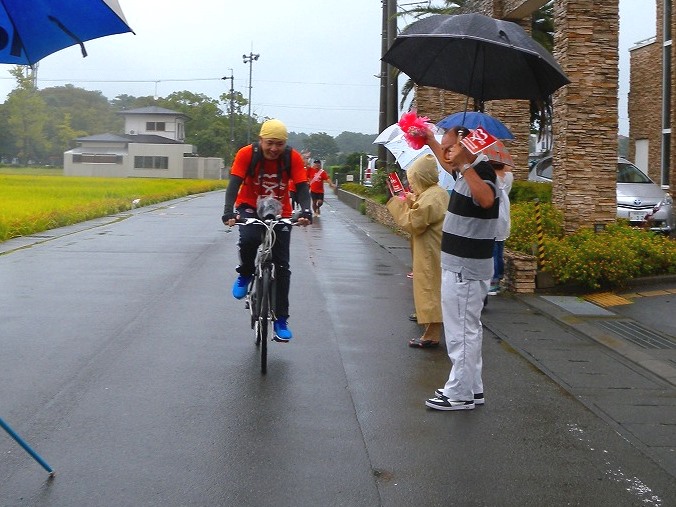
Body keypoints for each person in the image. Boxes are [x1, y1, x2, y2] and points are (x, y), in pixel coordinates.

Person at [423, 126, 499, 411]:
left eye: (450, 147)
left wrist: (465, 163)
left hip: (465, 268)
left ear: (466, 146)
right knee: (468, 330)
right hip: (460, 266)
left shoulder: (481, 172)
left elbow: (487, 199)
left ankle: (459, 394)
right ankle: (472, 388)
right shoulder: (466, 171)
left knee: (461, 333)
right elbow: (449, 165)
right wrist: (431, 141)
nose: (446, 153)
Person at [221, 119, 312, 341]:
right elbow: (234, 183)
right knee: (249, 238)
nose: (274, 149)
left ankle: (281, 319)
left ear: (285, 144)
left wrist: (307, 211)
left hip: (280, 210)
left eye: (279, 144)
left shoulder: (292, 157)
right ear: (260, 140)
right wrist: (228, 212)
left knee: (282, 266)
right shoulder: (246, 154)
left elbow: (301, 187)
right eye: (269, 143)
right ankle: (245, 273)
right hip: (249, 205)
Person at [386, 154, 449, 348]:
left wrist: (397, 203)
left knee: (429, 288)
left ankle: (431, 335)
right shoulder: (435, 193)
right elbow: (421, 209)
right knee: (430, 287)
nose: (411, 184)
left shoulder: (432, 196)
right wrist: (409, 199)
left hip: (430, 251)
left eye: (413, 179)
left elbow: (414, 222)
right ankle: (431, 332)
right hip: (430, 248)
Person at [489, 161, 513, 295]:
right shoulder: (508, 177)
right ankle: (498, 279)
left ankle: (493, 283)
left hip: (495, 218)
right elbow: (509, 169)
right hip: (504, 218)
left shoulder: (493, 179)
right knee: (499, 252)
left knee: (493, 252)